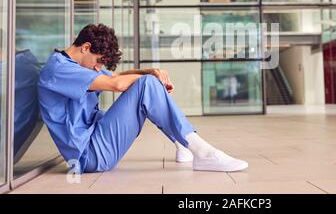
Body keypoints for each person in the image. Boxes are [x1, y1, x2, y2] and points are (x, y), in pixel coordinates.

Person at [38, 23, 248, 174]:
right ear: (85, 47)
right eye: (99, 62)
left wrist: (150, 71)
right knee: (146, 84)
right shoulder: (59, 69)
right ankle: (202, 152)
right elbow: (117, 84)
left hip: (97, 136)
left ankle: (183, 143)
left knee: (147, 82)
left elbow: (118, 76)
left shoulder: (75, 66)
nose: (98, 68)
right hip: (89, 155)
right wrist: (150, 79)